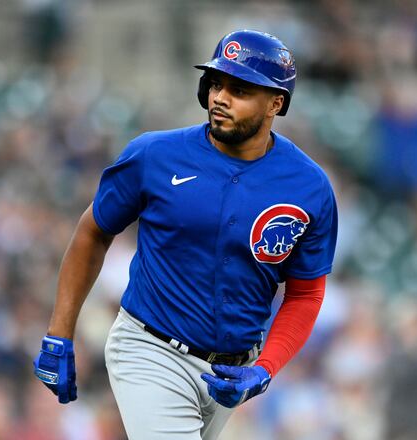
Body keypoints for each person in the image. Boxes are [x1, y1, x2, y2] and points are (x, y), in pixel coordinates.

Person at [34, 29, 338, 439]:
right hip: (150, 348)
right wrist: (59, 333)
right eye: (216, 83)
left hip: (231, 372)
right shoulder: (154, 156)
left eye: (240, 89)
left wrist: (265, 368)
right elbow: (92, 232)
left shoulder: (309, 187)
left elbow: (305, 294)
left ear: (276, 103)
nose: (220, 97)